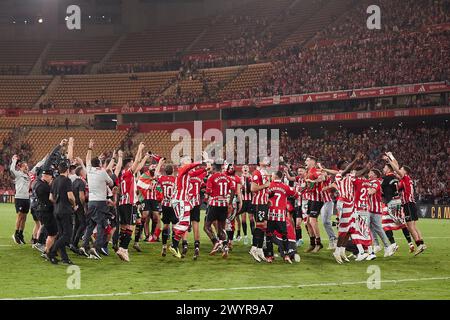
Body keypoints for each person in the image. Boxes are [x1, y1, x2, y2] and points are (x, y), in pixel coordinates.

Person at [170, 152, 211, 259]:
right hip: (181, 200)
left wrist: (206, 169)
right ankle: (173, 244)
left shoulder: (187, 174)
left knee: (184, 223)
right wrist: (204, 161)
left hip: (181, 200)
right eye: (188, 159)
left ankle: (174, 245)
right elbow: (190, 166)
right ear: (183, 163)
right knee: (184, 223)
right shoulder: (182, 169)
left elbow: (197, 172)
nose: (190, 161)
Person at [384, 152, 426, 256]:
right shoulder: (406, 179)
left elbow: (396, 168)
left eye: (401, 169)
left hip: (408, 204)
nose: (399, 170)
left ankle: (419, 245)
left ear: (405, 172)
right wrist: (391, 156)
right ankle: (421, 243)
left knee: (410, 226)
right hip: (411, 203)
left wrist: (389, 160)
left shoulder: (405, 177)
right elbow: (397, 166)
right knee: (414, 226)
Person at [79, 139, 114, 259]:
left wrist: (90, 147)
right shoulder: (103, 172)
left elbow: (87, 159)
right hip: (100, 202)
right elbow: (111, 182)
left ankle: (84, 246)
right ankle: (95, 248)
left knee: (90, 225)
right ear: (99, 164)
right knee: (100, 225)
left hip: (91, 203)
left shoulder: (88, 170)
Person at [115, 143, 148, 262]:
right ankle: (123, 249)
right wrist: (139, 149)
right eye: (132, 163)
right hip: (129, 203)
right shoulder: (129, 173)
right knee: (130, 227)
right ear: (128, 165)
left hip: (122, 203)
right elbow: (137, 162)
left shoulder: (122, 175)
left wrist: (144, 157)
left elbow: (139, 164)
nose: (134, 164)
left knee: (124, 227)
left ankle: (122, 248)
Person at [10, 154, 46, 244]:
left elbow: (38, 165)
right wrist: (14, 160)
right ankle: (16, 234)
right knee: (19, 216)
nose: (26, 168)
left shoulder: (29, 175)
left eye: (27, 166)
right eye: (24, 167)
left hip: (26, 198)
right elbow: (12, 169)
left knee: (24, 217)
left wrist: (46, 158)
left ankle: (21, 234)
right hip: (19, 197)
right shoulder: (18, 174)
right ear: (20, 168)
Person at [266, 170, 297, 263]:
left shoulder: (269, 185)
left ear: (275, 177)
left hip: (270, 215)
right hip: (281, 216)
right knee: (284, 236)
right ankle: (286, 255)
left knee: (269, 236)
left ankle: (270, 256)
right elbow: (295, 194)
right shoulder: (285, 187)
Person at [204, 162, 234, 258]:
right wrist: (229, 202)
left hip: (214, 204)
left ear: (213, 167)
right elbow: (233, 189)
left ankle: (216, 242)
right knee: (221, 228)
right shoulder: (227, 178)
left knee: (206, 227)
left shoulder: (211, 177)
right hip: (224, 204)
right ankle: (225, 248)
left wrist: (205, 197)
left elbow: (208, 192)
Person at [49, 162, 76, 265]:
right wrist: (74, 204)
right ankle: (51, 252)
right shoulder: (67, 180)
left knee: (61, 235)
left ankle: (64, 258)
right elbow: (70, 196)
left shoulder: (55, 181)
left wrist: (58, 203)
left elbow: (51, 197)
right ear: (67, 170)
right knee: (67, 235)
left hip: (56, 210)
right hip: (65, 210)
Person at [249, 157, 271, 262]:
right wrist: (265, 185)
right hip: (258, 203)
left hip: (264, 203)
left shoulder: (265, 172)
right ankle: (253, 248)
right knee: (260, 225)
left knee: (264, 226)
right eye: (264, 160)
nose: (267, 161)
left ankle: (259, 249)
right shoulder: (256, 173)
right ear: (260, 162)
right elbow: (253, 188)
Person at [304, 156, 325, 253]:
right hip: (310, 199)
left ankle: (318, 243)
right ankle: (312, 243)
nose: (305, 162)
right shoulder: (308, 171)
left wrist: (312, 181)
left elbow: (322, 178)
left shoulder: (315, 170)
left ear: (313, 161)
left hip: (317, 199)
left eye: (307, 160)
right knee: (307, 222)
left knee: (312, 221)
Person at [33, 169, 55, 258]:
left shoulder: (38, 184)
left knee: (44, 227)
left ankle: (41, 243)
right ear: (47, 176)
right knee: (51, 232)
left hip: (41, 210)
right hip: (45, 211)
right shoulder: (44, 186)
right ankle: (43, 246)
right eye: (51, 176)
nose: (52, 178)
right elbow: (50, 198)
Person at [158, 165, 177, 257]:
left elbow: (157, 186)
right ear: (172, 171)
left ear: (165, 171)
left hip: (164, 204)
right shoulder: (175, 179)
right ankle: (174, 246)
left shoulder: (161, 178)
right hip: (173, 205)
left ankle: (164, 246)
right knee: (174, 226)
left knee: (165, 226)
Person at [70, 166, 87, 254]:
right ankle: (75, 243)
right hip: (80, 206)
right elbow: (81, 196)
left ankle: (72, 243)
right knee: (83, 224)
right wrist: (84, 206)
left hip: (75, 205)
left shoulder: (74, 182)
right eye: (84, 171)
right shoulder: (81, 182)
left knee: (76, 224)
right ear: (81, 173)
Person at [238, 164, 253, 245]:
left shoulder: (252, 178)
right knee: (243, 219)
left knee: (251, 219)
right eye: (244, 167)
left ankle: (253, 236)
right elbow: (238, 190)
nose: (245, 168)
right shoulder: (240, 179)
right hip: (243, 201)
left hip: (250, 201)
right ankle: (246, 236)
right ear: (242, 170)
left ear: (249, 169)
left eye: (246, 167)